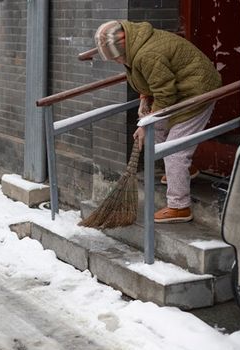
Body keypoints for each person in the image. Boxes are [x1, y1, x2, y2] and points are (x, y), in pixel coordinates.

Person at [94, 20, 222, 223]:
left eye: (118, 57)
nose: (117, 62)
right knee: (157, 136)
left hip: (197, 93)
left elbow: (164, 93)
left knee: (174, 152)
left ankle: (179, 207)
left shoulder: (147, 54)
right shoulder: (137, 46)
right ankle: (184, 172)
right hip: (177, 94)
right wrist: (144, 101)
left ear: (125, 45)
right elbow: (150, 80)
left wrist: (146, 124)